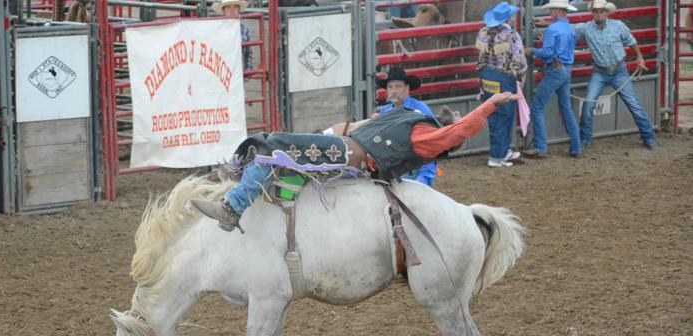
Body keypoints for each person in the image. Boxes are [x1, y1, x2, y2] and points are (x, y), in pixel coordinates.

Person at [191, 92, 519, 232]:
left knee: (274, 145)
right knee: (277, 147)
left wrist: (489, 105)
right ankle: (265, 193)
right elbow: (455, 131)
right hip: (348, 151)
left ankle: (232, 206)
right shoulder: (413, 122)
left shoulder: (421, 130)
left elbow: (456, 132)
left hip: (349, 157)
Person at [574, 1, 656, 149]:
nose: (599, 14)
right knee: (588, 104)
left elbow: (631, 41)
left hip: (619, 71)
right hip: (600, 72)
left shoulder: (618, 25)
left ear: (607, 12)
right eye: (596, 11)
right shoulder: (585, 28)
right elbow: (567, 31)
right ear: (592, 12)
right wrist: (546, 25)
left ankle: (649, 137)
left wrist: (639, 57)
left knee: (634, 105)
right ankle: (584, 140)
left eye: (601, 11)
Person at [524, 0, 582, 159]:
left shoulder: (553, 29)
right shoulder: (569, 28)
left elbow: (548, 52)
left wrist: (532, 50)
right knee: (566, 108)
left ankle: (541, 147)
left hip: (555, 70)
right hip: (566, 69)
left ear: (557, 10)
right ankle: (576, 147)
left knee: (536, 107)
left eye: (552, 9)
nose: (550, 12)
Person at [476, 2, 528, 168]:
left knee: (493, 113)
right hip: (504, 78)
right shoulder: (512, 35)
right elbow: (519, 62)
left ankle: (502, 150)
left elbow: (480, 57)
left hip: (486, 77)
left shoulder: (483, 33)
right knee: (505, 115)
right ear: (509, 18)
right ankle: (497, 155)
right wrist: (521, 74)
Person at [376, 67, 439, 185]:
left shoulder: (421, 111)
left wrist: (424, 178)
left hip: (414, 172)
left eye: (398, 86)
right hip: (389, 173)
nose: (393, 91)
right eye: (390, 87)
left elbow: (431, 146)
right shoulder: (384, 111)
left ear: (407, 88)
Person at [213, 0, 252, 71]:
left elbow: (247, 52)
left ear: (239, 10)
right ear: (223, 11)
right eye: (228, 7)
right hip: (221, 71)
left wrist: (248, 68)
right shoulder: (217, 29)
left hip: (238, 72)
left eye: (235, 7)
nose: (232, 10)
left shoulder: (244, 29)